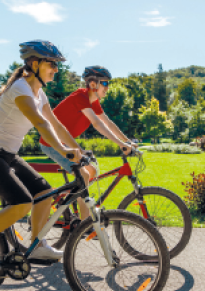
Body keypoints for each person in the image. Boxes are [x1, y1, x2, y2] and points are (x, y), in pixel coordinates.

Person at [0, 40, 83, 272]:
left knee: (44, 192)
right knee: (22, 203)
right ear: (35, 63)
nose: (56, 69)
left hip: (7, 155)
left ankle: (37, 243)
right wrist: (63, 151)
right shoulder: (20, 89)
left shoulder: (39, 94)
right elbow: (40, 123)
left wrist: (77, 150)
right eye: (52, 64)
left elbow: (57, 126)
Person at [39, 66, 137, 222]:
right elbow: (97, 124)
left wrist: (127, 141)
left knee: (90, 171)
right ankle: (85, 224)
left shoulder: (93, 101)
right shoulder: (81, 97)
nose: (108, 87)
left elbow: (108, 123)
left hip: (66, 144)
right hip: (52, 143)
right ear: (93, 84)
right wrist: (121, 145)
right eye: (105, 83)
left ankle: (71, 205)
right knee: (83, 175)